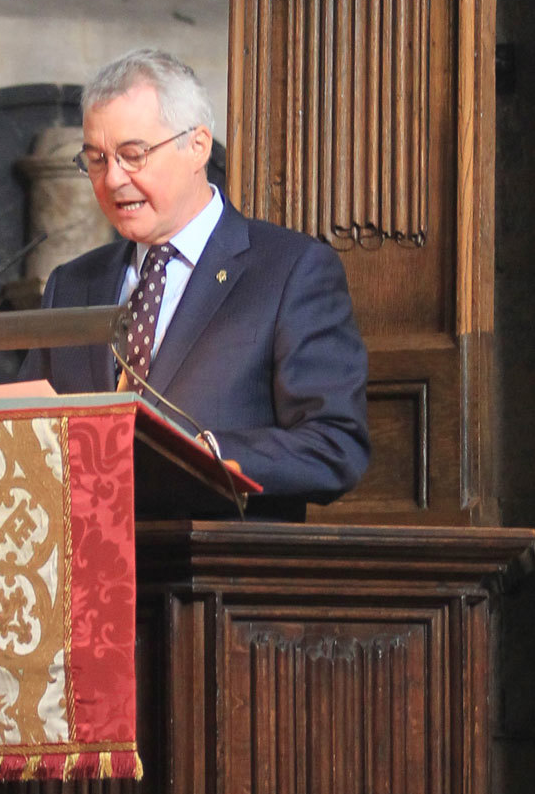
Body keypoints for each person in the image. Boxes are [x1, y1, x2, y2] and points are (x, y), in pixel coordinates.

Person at [19, 48, 369, 520]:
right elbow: (20, 430)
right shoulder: (72, 284)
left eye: (133, 155)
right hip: (85, 570)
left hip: (217, 575)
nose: (113, 179)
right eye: (96, 160)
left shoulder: (290, 271)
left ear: (198, 146)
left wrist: (205, 455)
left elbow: (334, 446)